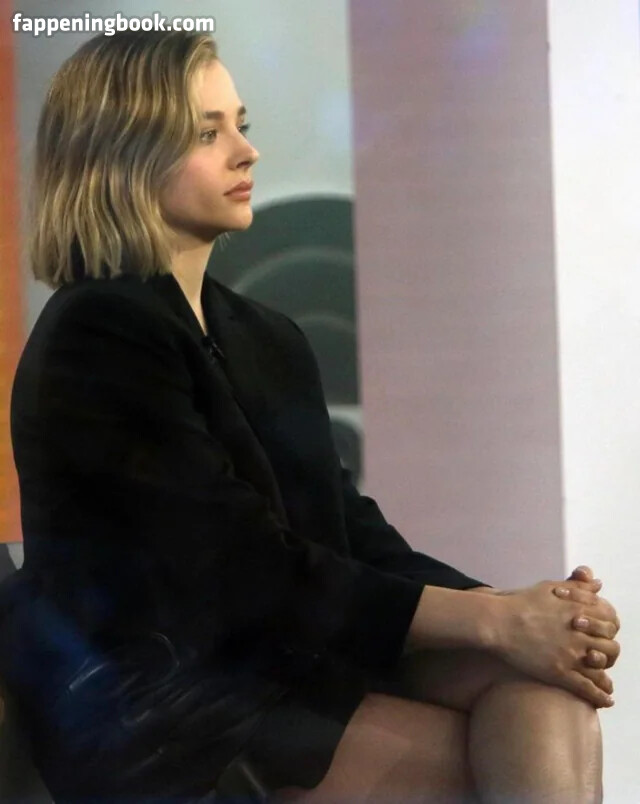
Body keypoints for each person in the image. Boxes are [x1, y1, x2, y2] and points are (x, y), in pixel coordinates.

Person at [2, 29, 621, 803]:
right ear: (123, 157)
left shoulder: (265, 335)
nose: (246, 152)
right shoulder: (98, 334)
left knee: (542, 679)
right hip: (165, 706)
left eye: (241, 125)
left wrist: (523, 611)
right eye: (207, 133)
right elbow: (238, 569)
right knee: (499, 754)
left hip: (285, 657)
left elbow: (348, 530)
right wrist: (493, 624)